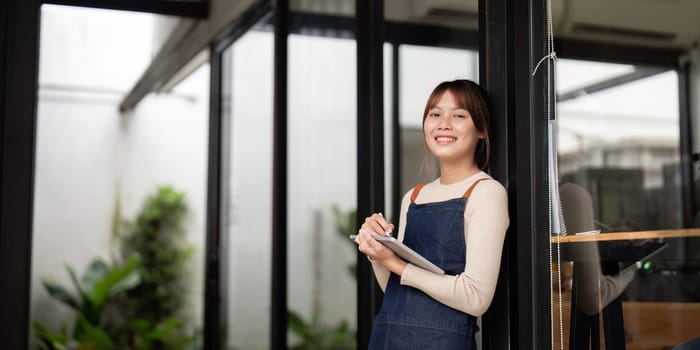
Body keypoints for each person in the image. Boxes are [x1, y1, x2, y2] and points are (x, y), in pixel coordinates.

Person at [353, 79, 509, 349]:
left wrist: (396, 263)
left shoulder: (486, 193)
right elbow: (399, 290)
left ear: (482, 129)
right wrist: (375, 252)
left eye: (459, 115)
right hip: (388, 339)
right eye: (435, 114)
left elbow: (476, 297)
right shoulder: (414, 196)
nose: (443, 123)